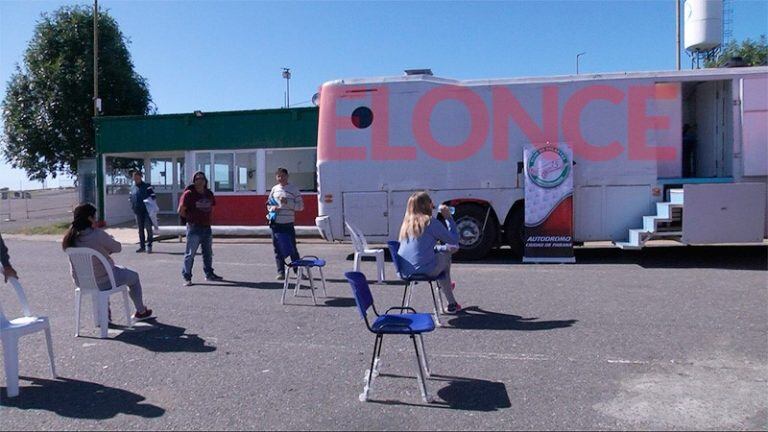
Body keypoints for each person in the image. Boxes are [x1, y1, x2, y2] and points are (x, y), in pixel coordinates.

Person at [62, 203, 153, 321]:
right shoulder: (97, 234)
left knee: (103, 274)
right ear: (90, 218)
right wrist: (110, 240)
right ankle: (141, 311)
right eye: (94, 217)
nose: (96, 219)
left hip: (83, 282)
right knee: (133, 277)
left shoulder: (70, 238)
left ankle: (104, 314)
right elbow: (117, 248)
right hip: (104, 280)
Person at [397, 191, 462, 314]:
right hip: (425, 270)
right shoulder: (429, 221)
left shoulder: (406, 223)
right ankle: (450, 300)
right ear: (427, 205)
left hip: (404, 271)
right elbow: (454, 240)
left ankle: (446, 286)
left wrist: (442, 248)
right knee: (446, 256)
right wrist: (448, 217)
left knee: (443, 252)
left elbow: (419, 250)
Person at [178, 171, 223, 286]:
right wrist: (189, 219)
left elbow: (212, 207)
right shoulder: (189, 193)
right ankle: (187, 276)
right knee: (190, 254)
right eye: (197, 178)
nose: (200, 180)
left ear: (205, 181)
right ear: (194, 180)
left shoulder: (208, 193)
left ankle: (209, 274)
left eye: (202, 178)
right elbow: (180, 210)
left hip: (206, 228)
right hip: (194, 228)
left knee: (208, 253)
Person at [267, 167, 304, 280]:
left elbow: (300, 207)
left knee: (292, 249)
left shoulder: (294, 189)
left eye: (283, 176)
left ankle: (298, 272)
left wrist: (287, 203)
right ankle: (281, 272)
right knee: (277, 249)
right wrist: (272, 208)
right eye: (278, 176)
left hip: (288, 223)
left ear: (287, 176)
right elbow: (268, 205)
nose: (281, 178)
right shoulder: (274, 189)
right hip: (276, 223)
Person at [129, 170, 157, 253]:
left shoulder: (147, 186)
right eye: (134, 177)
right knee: (140, 229)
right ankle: (142, 246)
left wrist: (148, 202)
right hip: (137, 211)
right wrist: (132, 206)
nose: (136, 178)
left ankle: (149, 245)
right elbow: (130, 197)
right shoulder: (132, 187)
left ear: (141, 177)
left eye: (137, 177)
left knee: (148, 228)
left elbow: (153, 196)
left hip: (147, 211)